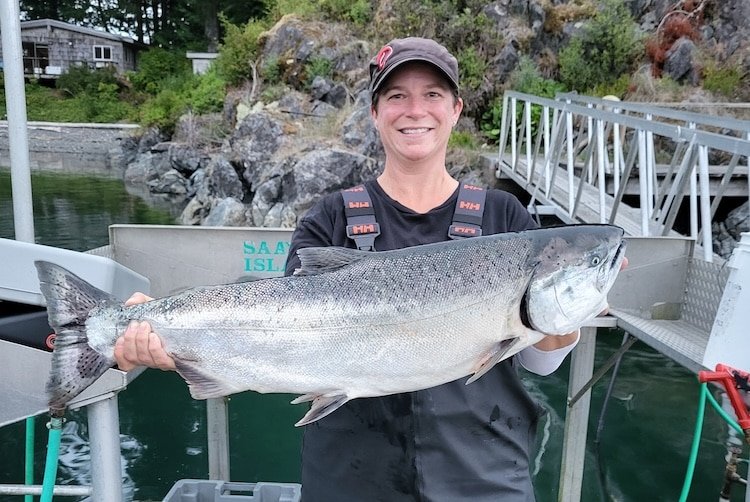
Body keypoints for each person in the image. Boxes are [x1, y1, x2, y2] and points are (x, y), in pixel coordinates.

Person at [115, 37, 619, 501]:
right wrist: (168, 336)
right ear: (376, 113)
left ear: (456, 109)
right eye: (397, 96)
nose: (415, 110)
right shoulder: (329, 217)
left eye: (434, 95)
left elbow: (539, 362)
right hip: (350, 479)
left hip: (483, 479)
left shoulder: (506, 219)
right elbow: (279, 336)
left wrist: (564, 325)